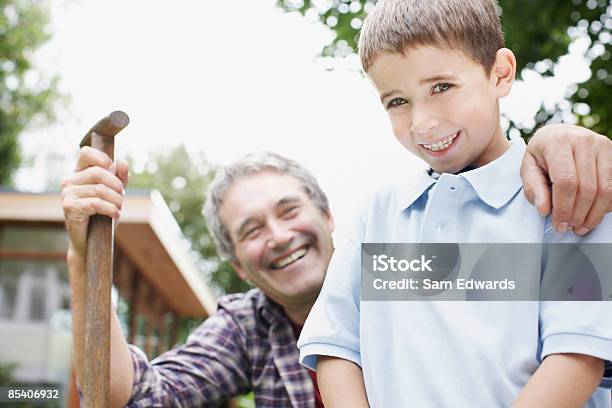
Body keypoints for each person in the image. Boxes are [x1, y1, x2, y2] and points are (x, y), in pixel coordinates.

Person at [61, 133, 612, 404]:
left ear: (329, 217)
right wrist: (87, 256)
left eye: (289, 210)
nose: (278, 237)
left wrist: (551, 144)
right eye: (251, 230)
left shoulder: (410, 265)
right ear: (240, 267)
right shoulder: (249, 326)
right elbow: (132, 396)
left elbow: (569, 320)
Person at [296, 1, 612, 407]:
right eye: (397, 101)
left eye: (441, 87)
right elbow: (336, 348)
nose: (421, 122)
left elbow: (577, 353)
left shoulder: (570, 194)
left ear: (500, 73)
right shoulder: (377, 214)